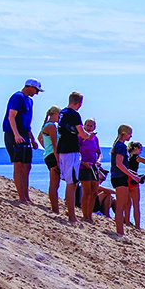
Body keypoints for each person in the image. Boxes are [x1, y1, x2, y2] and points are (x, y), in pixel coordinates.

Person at [2, 78, 41, 202]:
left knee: (27, 165)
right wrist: (16, 134)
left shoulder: (29, 101)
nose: (36, 93)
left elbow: (27, 122)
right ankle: (21, 197)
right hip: (13, 134)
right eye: (36, 90)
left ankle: (26, 196)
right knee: (18, 165)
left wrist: (32, 138)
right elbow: (11, 116)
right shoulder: (18, 97)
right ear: (29, 86)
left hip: (24, 134)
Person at [55, 93, 84, 223]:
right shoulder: (74, 114)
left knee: (69, 182)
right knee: (72, 183)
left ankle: (70, 212)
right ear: (79, 103)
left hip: (62, 150)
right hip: (71, 150)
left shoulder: (62, 113)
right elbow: (82, 132)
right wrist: (89, 136)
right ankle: (72, 216)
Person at [109, 125, 138, 236]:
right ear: (124, 133)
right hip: (119, 178)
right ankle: (119, 231)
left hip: (120, 177)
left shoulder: (119, 145)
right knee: (121, 206)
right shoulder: (121, 146)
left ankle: (121, 230)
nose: (130, 136)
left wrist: (132, 173)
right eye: (129, 133)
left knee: (125, 203)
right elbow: (119, 164)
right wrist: (133, 176)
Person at [37, 106, 63, 212]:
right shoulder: (51, 126)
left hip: (49, 154)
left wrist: (46, 148)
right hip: (53, 156)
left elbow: (39, 138)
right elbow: (54, 143)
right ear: (55, 114)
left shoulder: (46, 125)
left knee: (54, 183)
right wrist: (56, 157)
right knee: (54, 184)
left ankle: (55, 208)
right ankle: (55, 209)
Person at [76, 120, 102, 225]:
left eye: (91, 126)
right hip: (83, 166)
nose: (89, 127)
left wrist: (98, 161)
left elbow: (99, 153)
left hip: (93, 166)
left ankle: (90, 215)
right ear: (84, 126)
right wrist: (83, 163)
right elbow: (76, 153)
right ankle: (85, 215)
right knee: (86, 192)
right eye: (87, 125)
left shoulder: (95, 139)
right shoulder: (80, 137)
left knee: (94, 192)